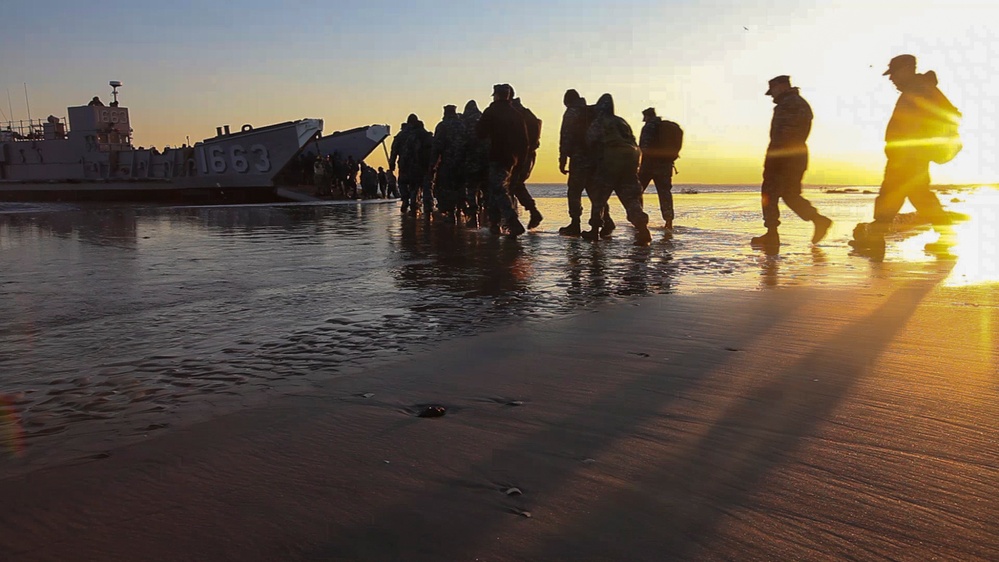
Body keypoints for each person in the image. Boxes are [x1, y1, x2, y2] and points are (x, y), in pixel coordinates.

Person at [850, 54, 963, 258]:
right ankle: (947, 236)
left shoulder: (922, 89)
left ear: (907, 69)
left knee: (891, 193)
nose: (891, 78)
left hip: (909, 155)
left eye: (894, 73)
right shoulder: (919, 89)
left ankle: (876, 237)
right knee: (919, 195)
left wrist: (922, 144)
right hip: (909, 154)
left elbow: (952, 115)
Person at [750, 75, 831, 247]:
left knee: (769, 194)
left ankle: (772, 235)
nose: (772, 95)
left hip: (784, 156)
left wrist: (774, 160)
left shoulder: (789, 104)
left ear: (781, 86)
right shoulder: (796, 103)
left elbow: (783, 135)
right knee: (790, 194)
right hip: (796, 155)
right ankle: (818, 219)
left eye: (773, 91)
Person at [582, 93, 652, 246]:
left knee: (598, 198)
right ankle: (643, 230)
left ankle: (594, 230)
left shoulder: (600, 122)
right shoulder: (622, 122)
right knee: (631, 199)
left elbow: (590, 141)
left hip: (610, 163)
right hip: (630, 162)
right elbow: (632, 141)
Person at [476, 83, 529, 237]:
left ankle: (512, 221)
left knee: (498, 189)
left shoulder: (491, 112)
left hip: (496, 155)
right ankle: (494, 224)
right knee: (494, 188)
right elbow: (524, 142)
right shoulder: (516, 114)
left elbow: (480, 133)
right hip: (512, 159)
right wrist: (520, 163)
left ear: (497, 96)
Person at [558, 89, 613, 236]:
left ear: (567, 101)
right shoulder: (593, 112)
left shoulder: (572, 112)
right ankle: (606, 221)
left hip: (579, 158)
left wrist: (562, 159)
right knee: (595, 192)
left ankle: (575, 224)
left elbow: (565, 136)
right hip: (596, 158)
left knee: (574, 191)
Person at [638, 107, 681, 230]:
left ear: (647, 117)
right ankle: (669, 221)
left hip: (648, 166)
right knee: (664, 194)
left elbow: (643, 147)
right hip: (665, 166)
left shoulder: (648, 127)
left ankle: (639, 219)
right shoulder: (667, 128)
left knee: (637, 191)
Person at [509, 89, 544, 229]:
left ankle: (512, 221)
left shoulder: (513, 113)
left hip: (518, 156)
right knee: (515, 185)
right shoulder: (526, 113)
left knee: (511, 186)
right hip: (527, 156)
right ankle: (531, 213)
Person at [430, 105, 467, 222]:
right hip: (462, 162)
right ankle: (462, 209)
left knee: (445, 187)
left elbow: (436, 147)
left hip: (448, 162)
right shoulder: (462, 125)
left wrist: (433, 165)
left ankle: (450, 213)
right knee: (461, 186)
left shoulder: (442, 126)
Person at [459, 100, 489, 227]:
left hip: (471, 161)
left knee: (471, 189)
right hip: (487, 161)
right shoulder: (484, 120)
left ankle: (473, 217)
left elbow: (461, 142)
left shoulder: (464, 122)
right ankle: (490, 219)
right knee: (487, 190)